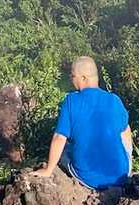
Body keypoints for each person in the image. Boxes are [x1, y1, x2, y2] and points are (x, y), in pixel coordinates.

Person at [30, 55, 132, 188]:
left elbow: (59, 137)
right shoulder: (114, 100)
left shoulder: (70, 101)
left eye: (73, 76)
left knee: (64, 148)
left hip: (88, 178)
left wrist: (48, 170)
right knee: (124, 129)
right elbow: (125, 132)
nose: (71, 80)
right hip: (121, 175)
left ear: (83, 78)